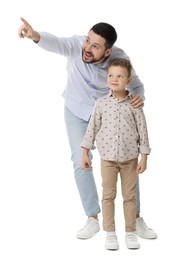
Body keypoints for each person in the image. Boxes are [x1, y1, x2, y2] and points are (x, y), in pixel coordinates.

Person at [18, 18, 157, 240]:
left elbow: (136, 85)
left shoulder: (119, 59)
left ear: (108, 51)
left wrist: (138, 99)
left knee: (125, 160)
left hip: (107, 113)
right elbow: (55, 42)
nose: (88, 48)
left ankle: (136, 218)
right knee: (79, 160)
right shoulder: (76, 45)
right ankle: (92, 217)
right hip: (75, 111)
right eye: (88, 41)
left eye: (95, 46)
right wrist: (34, 34)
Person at [81, 58, 151, 250]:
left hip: (130, 159)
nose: (114, 79)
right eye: (111, 75)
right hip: (108, 159)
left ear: (128, 80)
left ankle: (130, 231)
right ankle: (110, 233)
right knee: (108, 195)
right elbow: (92, 128)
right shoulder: (101, 103)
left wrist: (144, 156)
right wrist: (85, 151)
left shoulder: (135, 104)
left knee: (130, 196)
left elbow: (143, 131)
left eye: (119, 76)